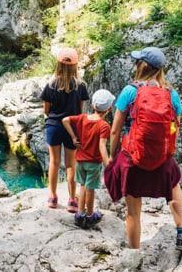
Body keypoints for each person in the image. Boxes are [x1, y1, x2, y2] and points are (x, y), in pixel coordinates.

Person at [104, 47, 182, 250]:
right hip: (161, 157)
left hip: (133, 158)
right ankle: (180, 231)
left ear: (141, 65)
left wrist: (112, 156)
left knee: (133, 211)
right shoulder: (171, 94)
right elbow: (174, 126)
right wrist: (166, 150)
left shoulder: (130, 91)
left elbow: (115, 130)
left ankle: (134, 254)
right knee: (174, 183)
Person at [40, 47, 89, 212]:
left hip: (53, 126)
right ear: (75, 66)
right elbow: (80, 111)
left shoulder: (51, 84)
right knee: (70, 164)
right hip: (72, 129)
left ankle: (52, 197)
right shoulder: (80, 86)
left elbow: (46, 110)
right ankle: (72, 200)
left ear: (58, 65)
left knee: (54, 162)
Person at [62, 89, 115, 228]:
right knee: (90, 189)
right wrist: (108, 164)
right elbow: (102, 146)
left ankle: (80, 214)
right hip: (93, 163)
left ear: (92, 106)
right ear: (109, 109)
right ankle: (90, 216)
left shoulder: (82, 118)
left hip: (80, 161)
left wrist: (74, 137)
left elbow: (65, 120)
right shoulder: (104, 126)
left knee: (83, 186)